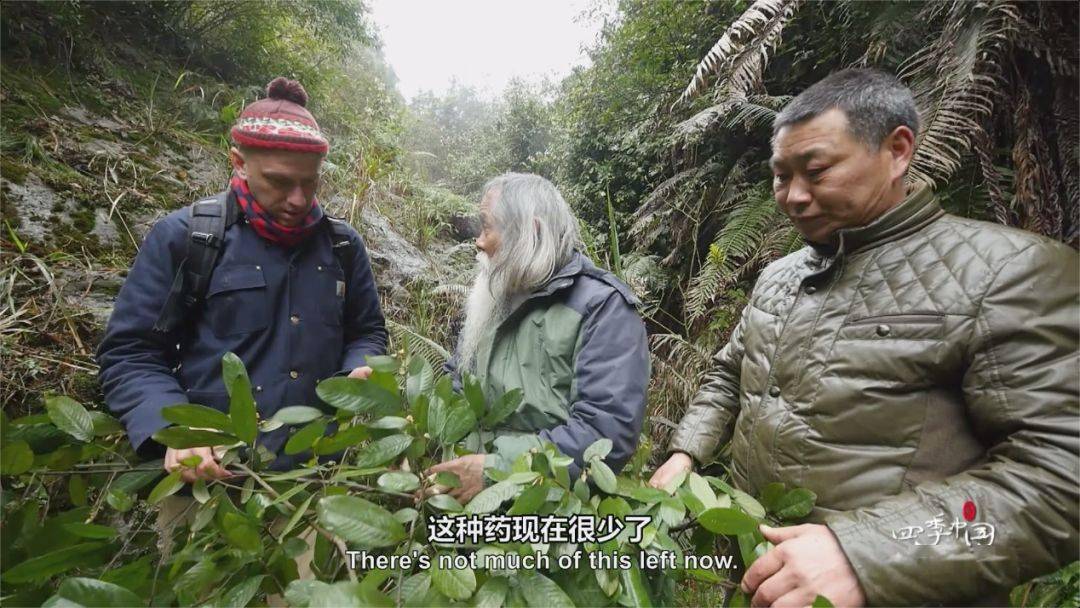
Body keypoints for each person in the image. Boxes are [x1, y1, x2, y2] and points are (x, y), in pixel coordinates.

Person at [648, 68, 1079, 606]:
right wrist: (687, 451)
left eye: (817, 170)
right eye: (781, 176)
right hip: (767, 579)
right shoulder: (778, 277)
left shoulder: (1006, 272)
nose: (794, 196)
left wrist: (867, 552)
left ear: (897, 151)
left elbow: (1062, 478)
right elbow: (729, 373)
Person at [97, 77, 387, 482]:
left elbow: (367, 331)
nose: (299, 200)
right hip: (210, 480)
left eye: (311, 182)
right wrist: (176, 428)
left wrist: (359, 369)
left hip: (316, 478)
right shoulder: (188, 237)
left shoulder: (342, 246)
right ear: (238, 162)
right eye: (280, 182)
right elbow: (130, 353)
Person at [429, 173, 650, 502]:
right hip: (464, 506)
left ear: (530, 232)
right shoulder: (494, 294)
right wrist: (422, 443)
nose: (479, 240)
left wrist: (497, 471)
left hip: (550, 517)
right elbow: (456, 380)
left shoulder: (602, 308)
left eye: (487, 226)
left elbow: (605, 434)